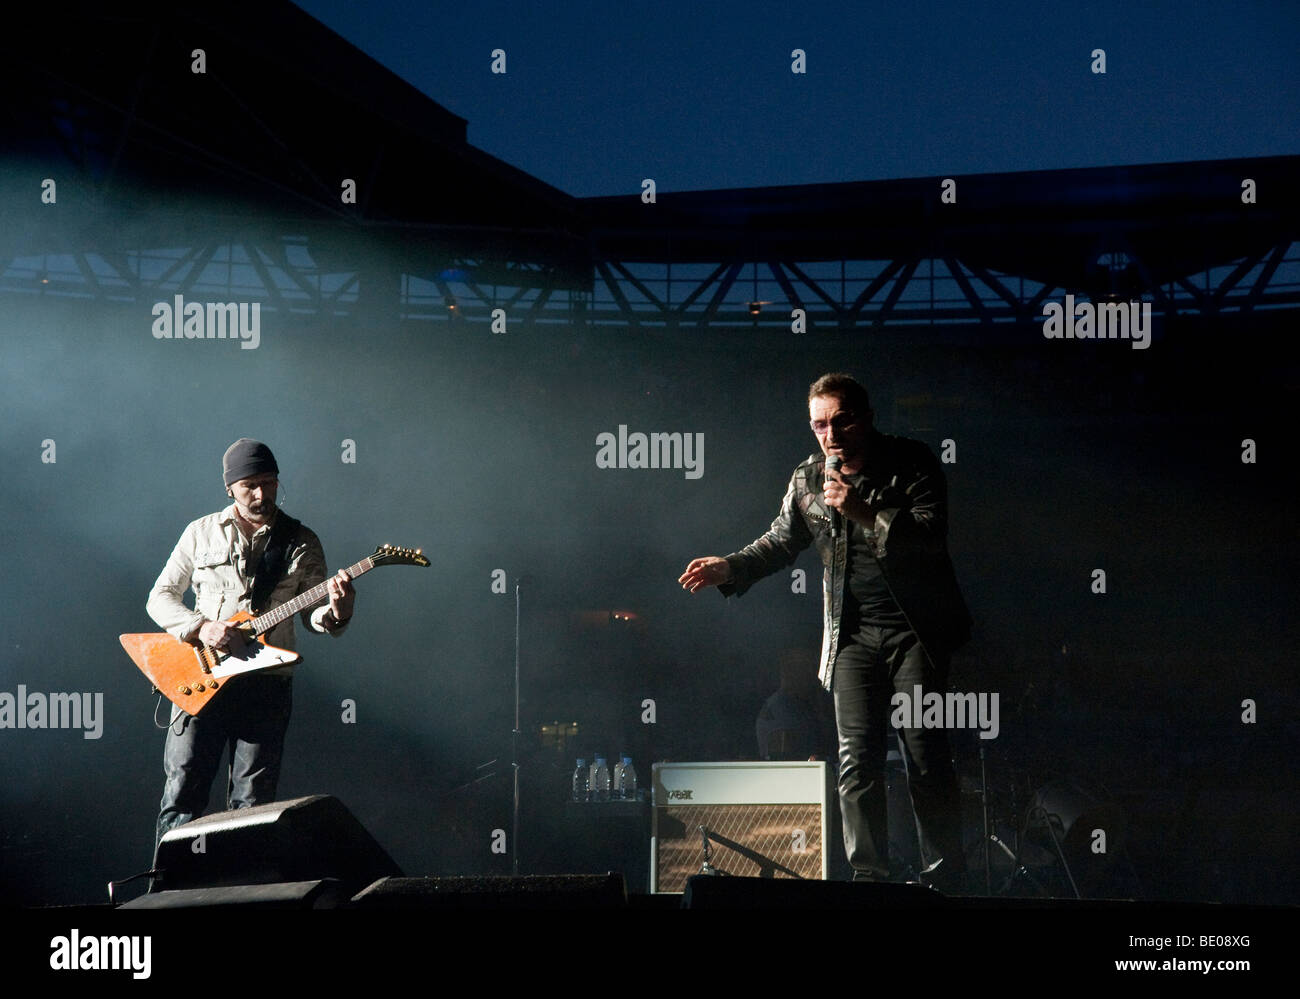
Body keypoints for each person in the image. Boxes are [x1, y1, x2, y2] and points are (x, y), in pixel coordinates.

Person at [679, 373, 972, 890]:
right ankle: (870, 880)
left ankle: (946, 879)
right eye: (819, 425)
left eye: (841, 421)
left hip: (916, 635)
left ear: (866, 417)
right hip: (852, 637)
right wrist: (731, 567)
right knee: (856, 760)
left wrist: (861, 509)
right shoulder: (808, 478)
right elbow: (780, 540)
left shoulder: (914, 463)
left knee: (925, 753)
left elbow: (929, 539)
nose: (830, 434)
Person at [146, 438, 355, 847]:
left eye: (270, 483)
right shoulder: (200, 533)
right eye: (250, 486)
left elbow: (315, 618)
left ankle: (241, 891)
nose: (261, 494)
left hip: (266, 684)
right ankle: (164, 891)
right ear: (230, 488)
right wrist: (201, 627)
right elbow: (160, 598)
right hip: (201, 679)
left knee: (254, 805)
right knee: (183, 796)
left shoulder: (302, 540)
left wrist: (339, 610)